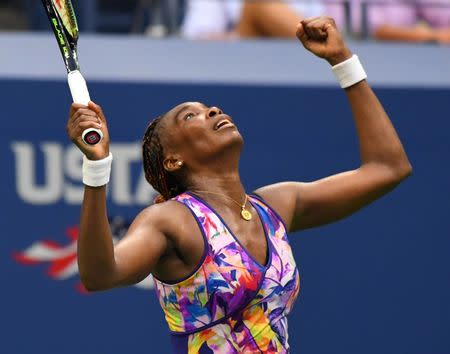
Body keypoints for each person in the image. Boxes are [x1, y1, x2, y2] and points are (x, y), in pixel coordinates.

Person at [68, 16, 412, 353]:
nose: (213, 111)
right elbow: (100, 275)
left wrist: (343, 61)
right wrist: (97, 167)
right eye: (191, 116)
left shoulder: (276, 207)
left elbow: (387, 168)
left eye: (209, 107)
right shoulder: (171, 221)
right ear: (173, 160)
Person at [181, 0, 325, 39]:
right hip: (238, 58)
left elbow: (319, 20)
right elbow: (201, 38)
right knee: (257, 5)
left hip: (297, 57)